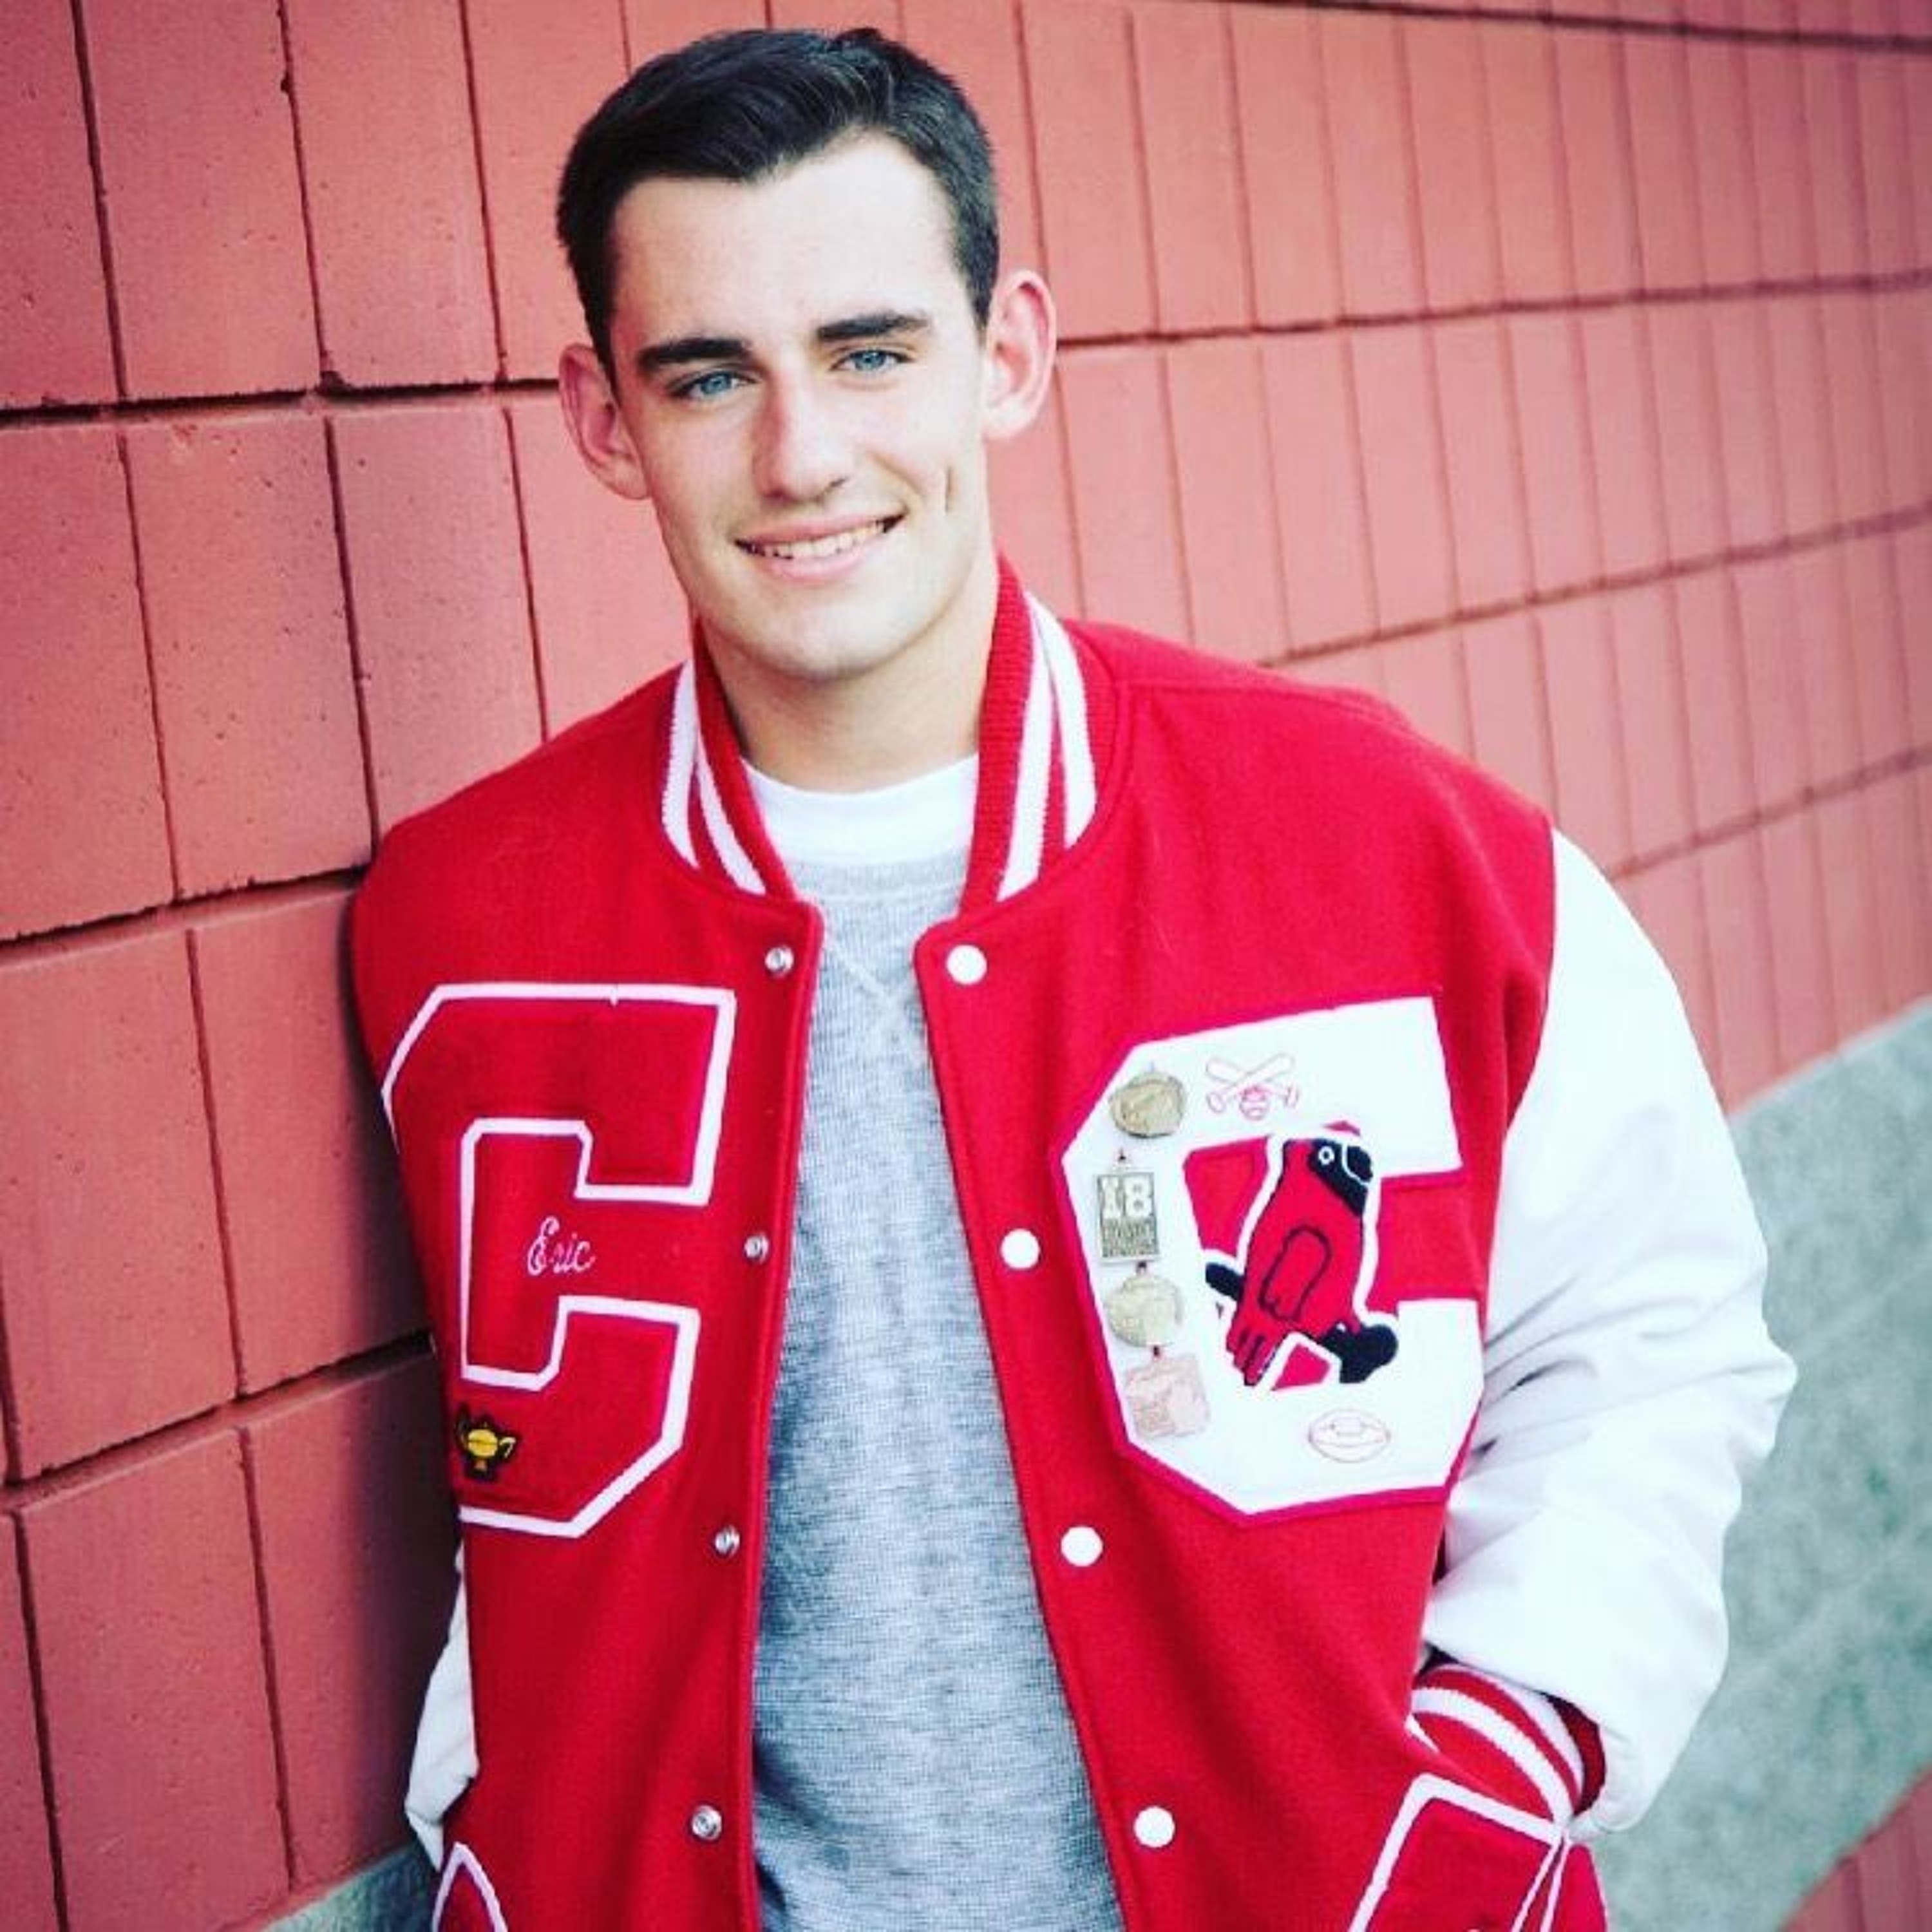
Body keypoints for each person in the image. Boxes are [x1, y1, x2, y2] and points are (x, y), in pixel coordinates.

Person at [350, 27, 1792, 1932]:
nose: (802, 455)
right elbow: (520, 1501)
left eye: (872, 352)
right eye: (709, 375)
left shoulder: (1390, 843)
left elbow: (1652, 1340)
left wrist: (1504, 1768)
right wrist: (495, 1836)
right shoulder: (463, 928)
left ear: (1008, 355)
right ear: (604, 420)